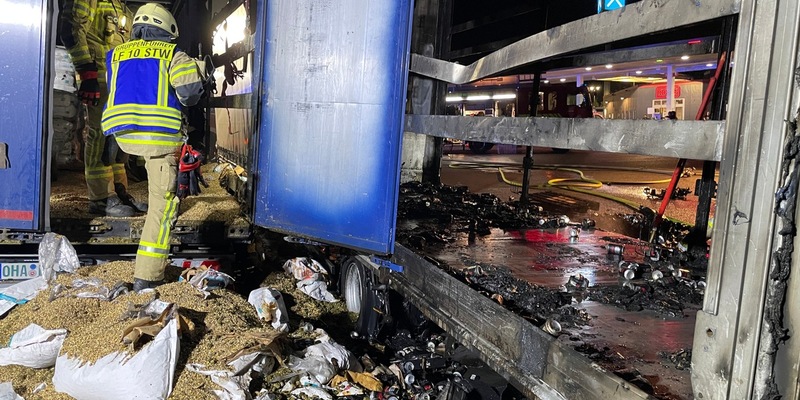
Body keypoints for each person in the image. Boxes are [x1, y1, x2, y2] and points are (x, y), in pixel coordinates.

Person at [102, 3, 204, 291]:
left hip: (123, 136)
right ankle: (147, 277)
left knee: (149, 175)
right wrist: (198, 73)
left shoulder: (115, 55)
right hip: (160, 139)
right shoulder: (174, 54)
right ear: (168, 29)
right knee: (162, 207)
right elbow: (189, 95)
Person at [60, 0, 146, 217]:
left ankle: (118, 190)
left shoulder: (122, 7)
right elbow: (71, 29)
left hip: (119, 81)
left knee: (116, 137)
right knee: (100, 135)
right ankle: (101, 198)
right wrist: (86, 72)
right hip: (98, 78)